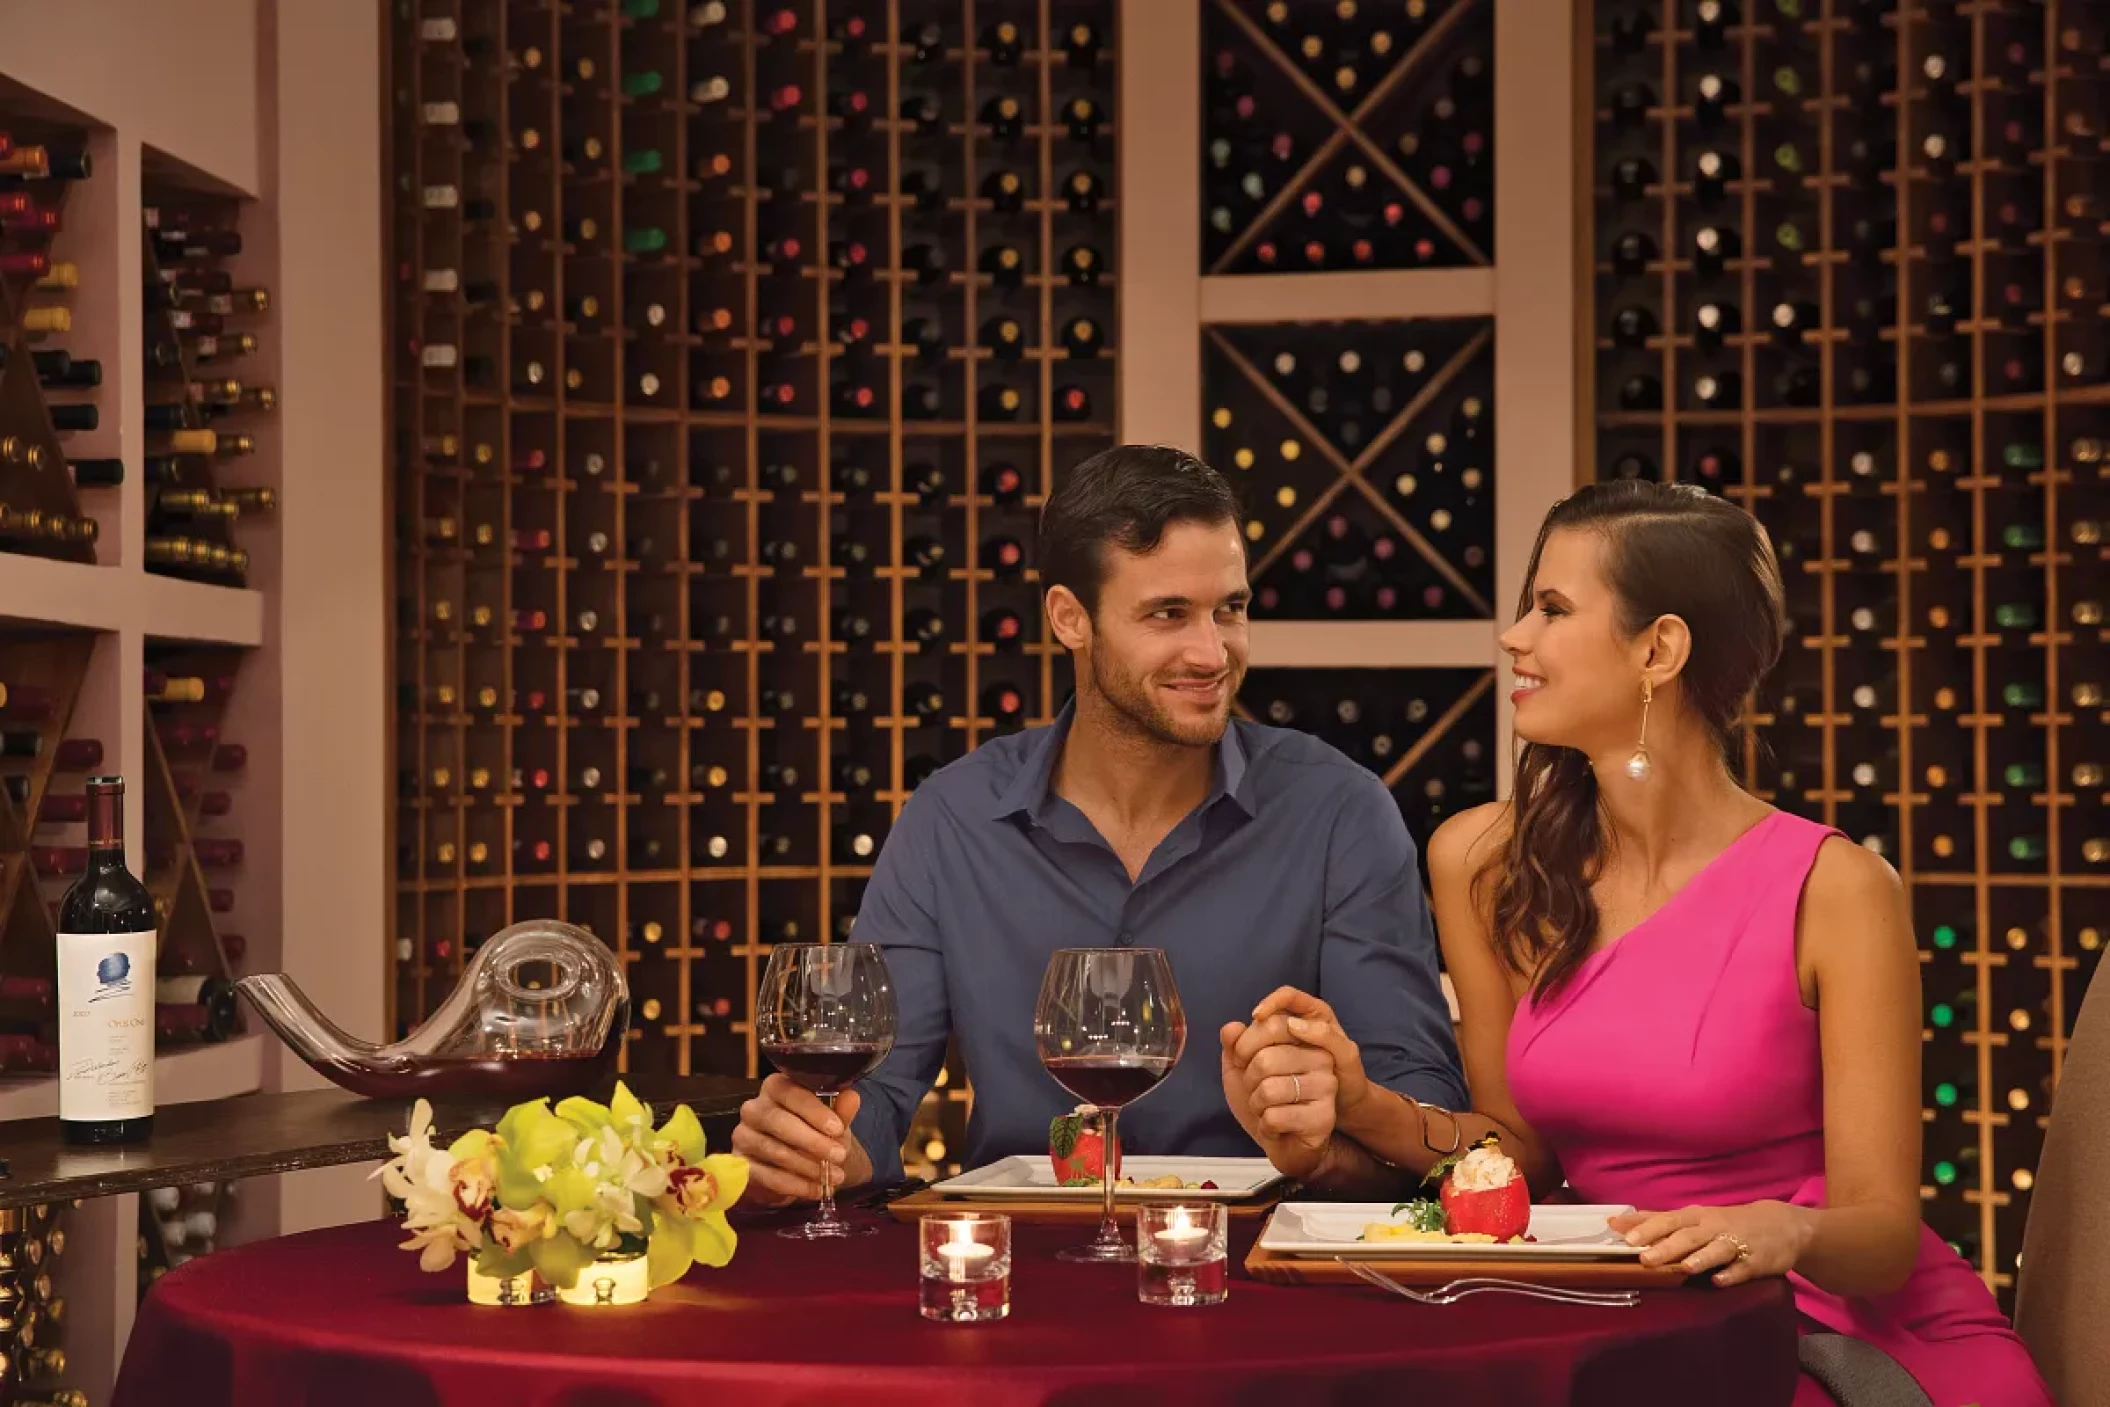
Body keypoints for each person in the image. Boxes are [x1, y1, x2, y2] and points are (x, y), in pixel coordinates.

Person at [1230, 480, 2050, 1406]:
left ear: (1657, 648)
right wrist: (1361, 1101)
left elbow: (1881, 1234)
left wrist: (1781, 1227)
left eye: (1551, 608)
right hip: (1629, 1313)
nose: (1515, 637)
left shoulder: (1838, 889)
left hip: (1837, 1330)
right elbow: (1516, 1157)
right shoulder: (1480, 861)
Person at [732, 444, 1465, 1204]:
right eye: (1168, 614)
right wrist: (821, 1146)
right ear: (1070, 618)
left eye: (1231, 610)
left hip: (1257, 1273)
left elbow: (1419, 1113)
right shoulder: (952, 820)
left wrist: (1328, 1132)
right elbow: (875, 1100)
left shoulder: (1340, 812)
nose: (1212, 652)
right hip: (1015, 1266)